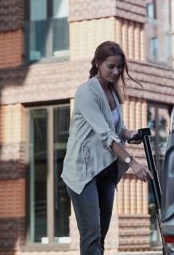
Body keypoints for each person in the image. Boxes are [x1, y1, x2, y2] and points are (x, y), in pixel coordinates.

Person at [61, 41, 153, 255]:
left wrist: (130, 134)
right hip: (82, 172)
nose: (116, 71)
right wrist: (133, 163)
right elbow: (106, 135)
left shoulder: (113, 91)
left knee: (101, 233)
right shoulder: (86, 92)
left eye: (119, 67)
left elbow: (116, 128)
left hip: (106, 169)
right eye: (110, 66)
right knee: (91, 233)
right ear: (98, 63)